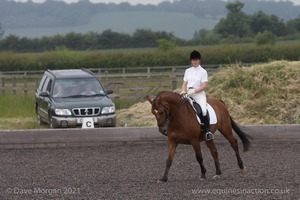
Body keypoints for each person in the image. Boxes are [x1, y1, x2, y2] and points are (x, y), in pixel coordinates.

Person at [181, 50, 214, 141]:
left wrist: (194, 91)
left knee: (203, 110)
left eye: (196, 60)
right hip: (188, 93)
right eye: (193, 60)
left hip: (199, 94)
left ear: (199, 60)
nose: (194, 61)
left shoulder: (203, 71)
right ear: (191, 61)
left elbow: (204, 86)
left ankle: (207, 131)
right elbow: (184, 83)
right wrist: (183, 91)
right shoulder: (187, 71)